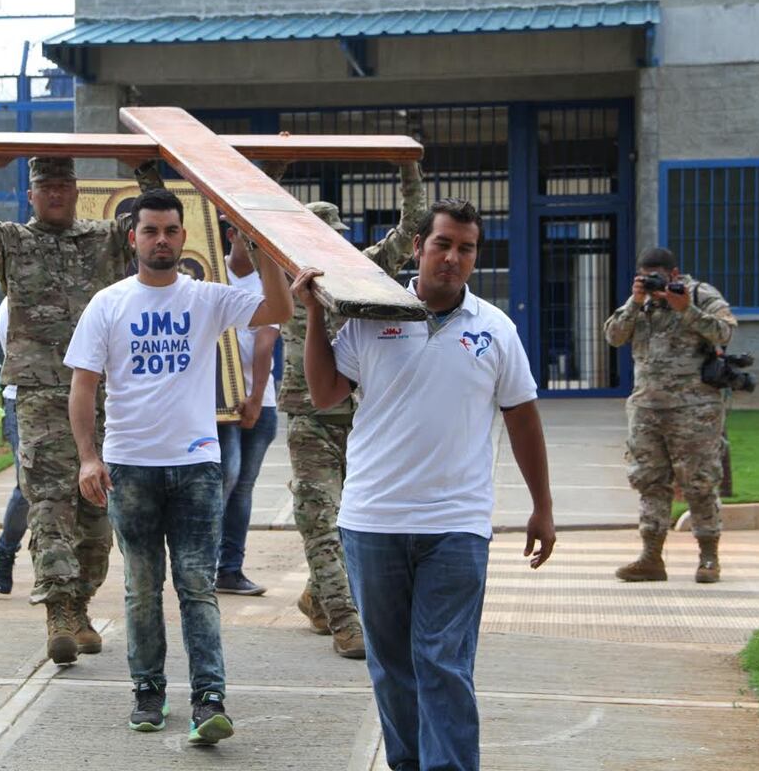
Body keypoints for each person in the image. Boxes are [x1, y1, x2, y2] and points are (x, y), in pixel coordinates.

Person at [295, 198, 556, 771]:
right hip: (374, 522)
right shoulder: (371, 315)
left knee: (442, 661)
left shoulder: (495, 329)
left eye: (467, 249)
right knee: (392, 667)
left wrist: (542, 507)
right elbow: (324, 394)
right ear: (418, 247)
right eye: (443, 244)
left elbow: (522, 415)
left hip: (456, 526)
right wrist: (315, 313)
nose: (453, 258)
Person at [66, 188, 292, 743]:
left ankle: (209, 699)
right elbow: (83, 385)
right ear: (133, 236)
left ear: (183, 237)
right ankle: (148, 691)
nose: (161, 240)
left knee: (197, 585)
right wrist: (88, 457)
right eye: (151, 231)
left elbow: (281, 310)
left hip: (196, 467)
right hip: (130, 467)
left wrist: (259, 245)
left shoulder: (207, 298)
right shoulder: (109, 303)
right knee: (142, 588)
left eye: (170, 230)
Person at [0, 153, 162, 664]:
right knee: (48, 502)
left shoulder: (105, 239)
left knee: (98, 510)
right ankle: (59, 611)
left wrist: (143, 169)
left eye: (65, 184)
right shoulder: (13, 241)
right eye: (47, 187)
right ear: (32, 196)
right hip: (41, 392)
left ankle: (80, 603)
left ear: (75, 191)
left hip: (104, 391)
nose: (58, 194)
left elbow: (156, 223)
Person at [281, 162, 426, 659]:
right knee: (318, 517)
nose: (331, 246)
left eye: (335, 237)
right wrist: (272, 174)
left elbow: (412, 229)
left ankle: (319, 596)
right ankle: (346, 620)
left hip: (361, 415)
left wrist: (409, 170)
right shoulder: (285, 276)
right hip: (309, 416)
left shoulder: (366, 269)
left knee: (353, 522)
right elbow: (251, 225)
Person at [604, 246, 737, 583]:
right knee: (650, 481)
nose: (653, 283)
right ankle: (651, 557)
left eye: (659, 277)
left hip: (695, 410)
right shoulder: (641, 301)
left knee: (700, 481)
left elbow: (725, 332)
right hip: (647, 408)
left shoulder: (700, 295)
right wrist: (634, 302)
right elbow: (613, 336)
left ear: (674, 274)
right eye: (646, 277)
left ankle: (709, 558)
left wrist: (686, 310)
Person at [212, 216, 281, 596]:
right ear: (231, 235)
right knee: (225, 476)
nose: (254, 248)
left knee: (242, 487)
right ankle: (202, 562)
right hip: (218, 402)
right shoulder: (209, 272)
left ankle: (230, 568)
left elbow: (266, 342)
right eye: (248, 238)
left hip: (258, 401)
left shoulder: (267, 282)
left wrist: (255, 399)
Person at [0, 297, 29, 594]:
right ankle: (6, 548)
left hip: (75, 394)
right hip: (24, 399)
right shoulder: (11, 305)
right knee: (27, 485)